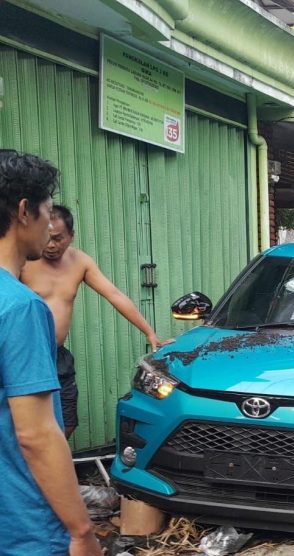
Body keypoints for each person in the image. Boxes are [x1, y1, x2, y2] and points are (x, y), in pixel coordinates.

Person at [0, 150, 101, 556]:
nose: (50, 224)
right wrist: (81, 531)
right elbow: (36, 434)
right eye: (46, 210)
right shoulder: (19, 306)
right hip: (22, 524)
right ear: (24, 211)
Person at [21, 205, 170, 437]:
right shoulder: (24, 260)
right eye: (47, 238)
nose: (51, 245)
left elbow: (114, 295)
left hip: (58, 354)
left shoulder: (80, 262)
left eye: (58, 238)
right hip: (27, 353)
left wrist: (149, 333)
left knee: (67, 422)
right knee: (26, 422)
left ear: (71, 236)